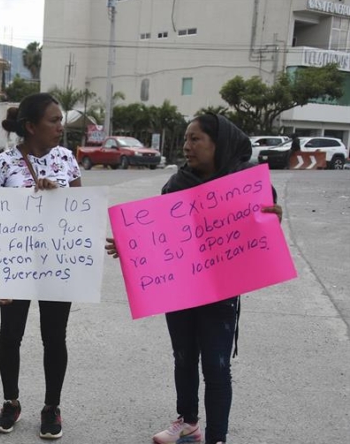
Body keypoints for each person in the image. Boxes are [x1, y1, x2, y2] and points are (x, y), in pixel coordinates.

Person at [106, 113, 283, 444]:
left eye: (195, 139)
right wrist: (131, 244)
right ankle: (187, 422)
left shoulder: (243, 182)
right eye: (185, 139)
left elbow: (261, 233)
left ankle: (217, 437)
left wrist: (276, 219)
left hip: (221, 290)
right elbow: (161, 233)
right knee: (184, 357)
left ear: (218, 143)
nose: (186, 146)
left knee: (216, 367)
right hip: (180, 287)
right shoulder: (177, 184)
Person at [0, 93, 81, 440]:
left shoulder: (67, 160)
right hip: (16, 265)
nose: (60, 126)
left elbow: (80, 213)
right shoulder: (3, 165)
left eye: (60, 119)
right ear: (30, 126)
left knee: (55, 338)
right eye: (53, 120)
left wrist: (59, 194)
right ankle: (11, 402)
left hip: (57, 264)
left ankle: (51, 407)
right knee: (11, 335)